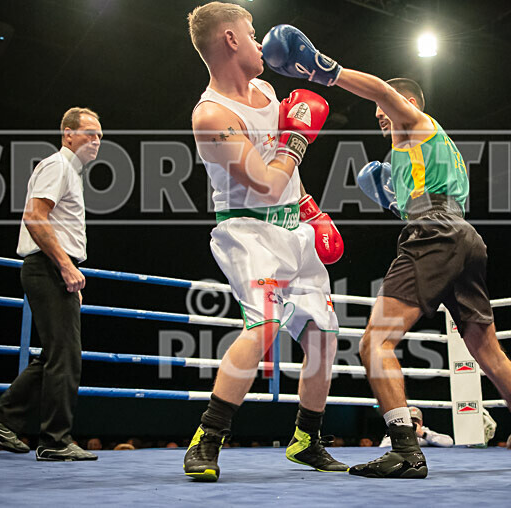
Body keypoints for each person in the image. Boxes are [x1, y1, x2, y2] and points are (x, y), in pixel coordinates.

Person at [261, 24, 511, 478]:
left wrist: (327, 71)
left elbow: (382, 92)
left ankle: (405, 449)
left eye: (388, 111)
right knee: (487, 351)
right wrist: (392, 199)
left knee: (374, 342)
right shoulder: (420, 152)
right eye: (381, 114)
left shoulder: (416, 123)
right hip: (462, 235)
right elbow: (424, 198)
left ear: (410, 105)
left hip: (434, 232)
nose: (382, 117)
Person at [183, 2, 347, 482]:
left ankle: (307, 439)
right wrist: (298, 141)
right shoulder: (211, 115)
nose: (260, 43)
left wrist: (310, 207)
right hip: (247, 230)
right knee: (265, 326)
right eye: (251, 33)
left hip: (293, 226)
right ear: (230, 39)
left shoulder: (269, 91)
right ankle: (207, 438)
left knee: (323, 335)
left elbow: (287, 180)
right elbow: (266, 182)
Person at [0, 107, 101, 462]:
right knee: (65, 356)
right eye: (90, 133)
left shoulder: (70, 172)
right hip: (48, 266)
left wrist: (67, 265)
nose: (96, 141)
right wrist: (64, 265)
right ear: (68, 134)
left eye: (101, 136)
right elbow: (34, 216)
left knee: (55, 355)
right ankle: (55, 440)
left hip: (53, 267)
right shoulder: (57, 166)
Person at [379, 407, 453, 448]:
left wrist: (424, 435)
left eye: (416, 420)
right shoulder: (398, 430)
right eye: (411, 420)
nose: (413, 423)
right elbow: (383, 446)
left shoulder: (425, 431)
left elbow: (449, 442)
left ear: (421, 422)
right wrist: (404, 435)